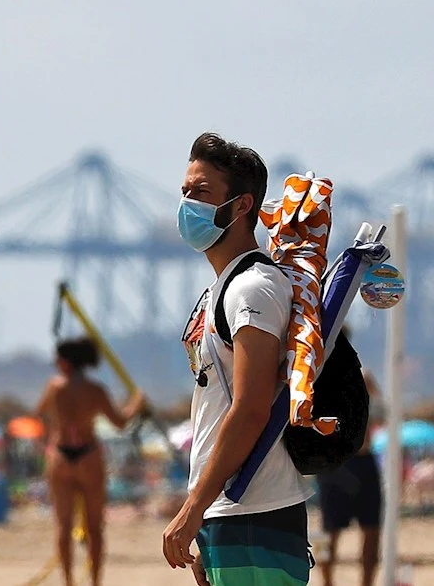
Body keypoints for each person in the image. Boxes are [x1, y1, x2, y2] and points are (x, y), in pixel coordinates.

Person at [164, 132, 312, 586]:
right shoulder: (224, 289)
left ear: (242, 206)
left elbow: (251, 407)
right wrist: (204, 512)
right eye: (186, 192)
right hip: (230, 514)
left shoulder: (253, 289)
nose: (188, 204)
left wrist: (192, 510)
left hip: (255, 512)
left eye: (202, 193)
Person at [35, 336, 146, 586]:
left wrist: (50, 438)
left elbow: (39, 414)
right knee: (95, 528)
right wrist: (136, 403)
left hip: (60, 455)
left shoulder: (54, 387)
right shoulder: (95, 391)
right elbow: (120, 422)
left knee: (63, 527)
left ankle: (69, 582)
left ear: (66, 363)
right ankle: (95, 582)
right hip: (88, 455)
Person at [316, 327, 383, 586]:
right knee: (330, 530)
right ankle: (327, 582)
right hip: (335, 460)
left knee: (369, 528)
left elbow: (379, 413)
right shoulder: (315, 374)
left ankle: (361, 582)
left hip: (356, 458)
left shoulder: (361, 376)